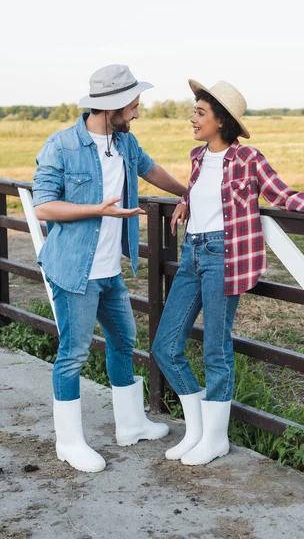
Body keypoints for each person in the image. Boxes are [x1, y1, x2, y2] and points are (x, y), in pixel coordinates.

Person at [152, 79, 304, 466]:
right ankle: (197, 430)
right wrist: (185, 201)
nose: (193, 119)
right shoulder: (197, 156)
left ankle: (215, 438)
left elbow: (283, 195)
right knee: (165, 346)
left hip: (224, 256)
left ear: (221, 120)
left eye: (200, 113)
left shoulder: (249, 158)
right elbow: (200, 190)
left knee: (216, 350)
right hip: (193, 254)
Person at [32, 64, 188, 473]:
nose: (138, 111)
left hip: (109, 272)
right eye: (134, 104)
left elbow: (151, 170)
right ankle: (68, 443)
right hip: (73, 271)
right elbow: (44, 205)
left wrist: (188, 192)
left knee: (124, 342)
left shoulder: (125, 143)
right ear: (113, 106)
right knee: (73, 355)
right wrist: (96, 209)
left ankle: (131, 425)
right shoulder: (62, 145)